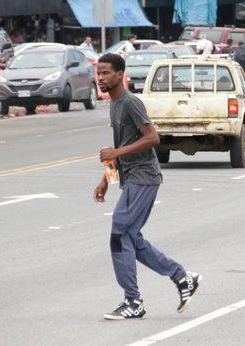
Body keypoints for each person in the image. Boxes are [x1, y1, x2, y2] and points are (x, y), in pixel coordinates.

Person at [93, 53, 201, 320]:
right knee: (131, 238)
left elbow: (152, 138)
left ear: (120, 75)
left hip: (143, 176)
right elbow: (124, 143)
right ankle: (182, 277)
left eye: (106, 73)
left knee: (120, 235)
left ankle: (133, 302)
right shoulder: (114, 103)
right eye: (99, 73)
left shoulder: (130, 102)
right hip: (132, 177)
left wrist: (116, 153)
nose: (101, 78)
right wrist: (106, 179)